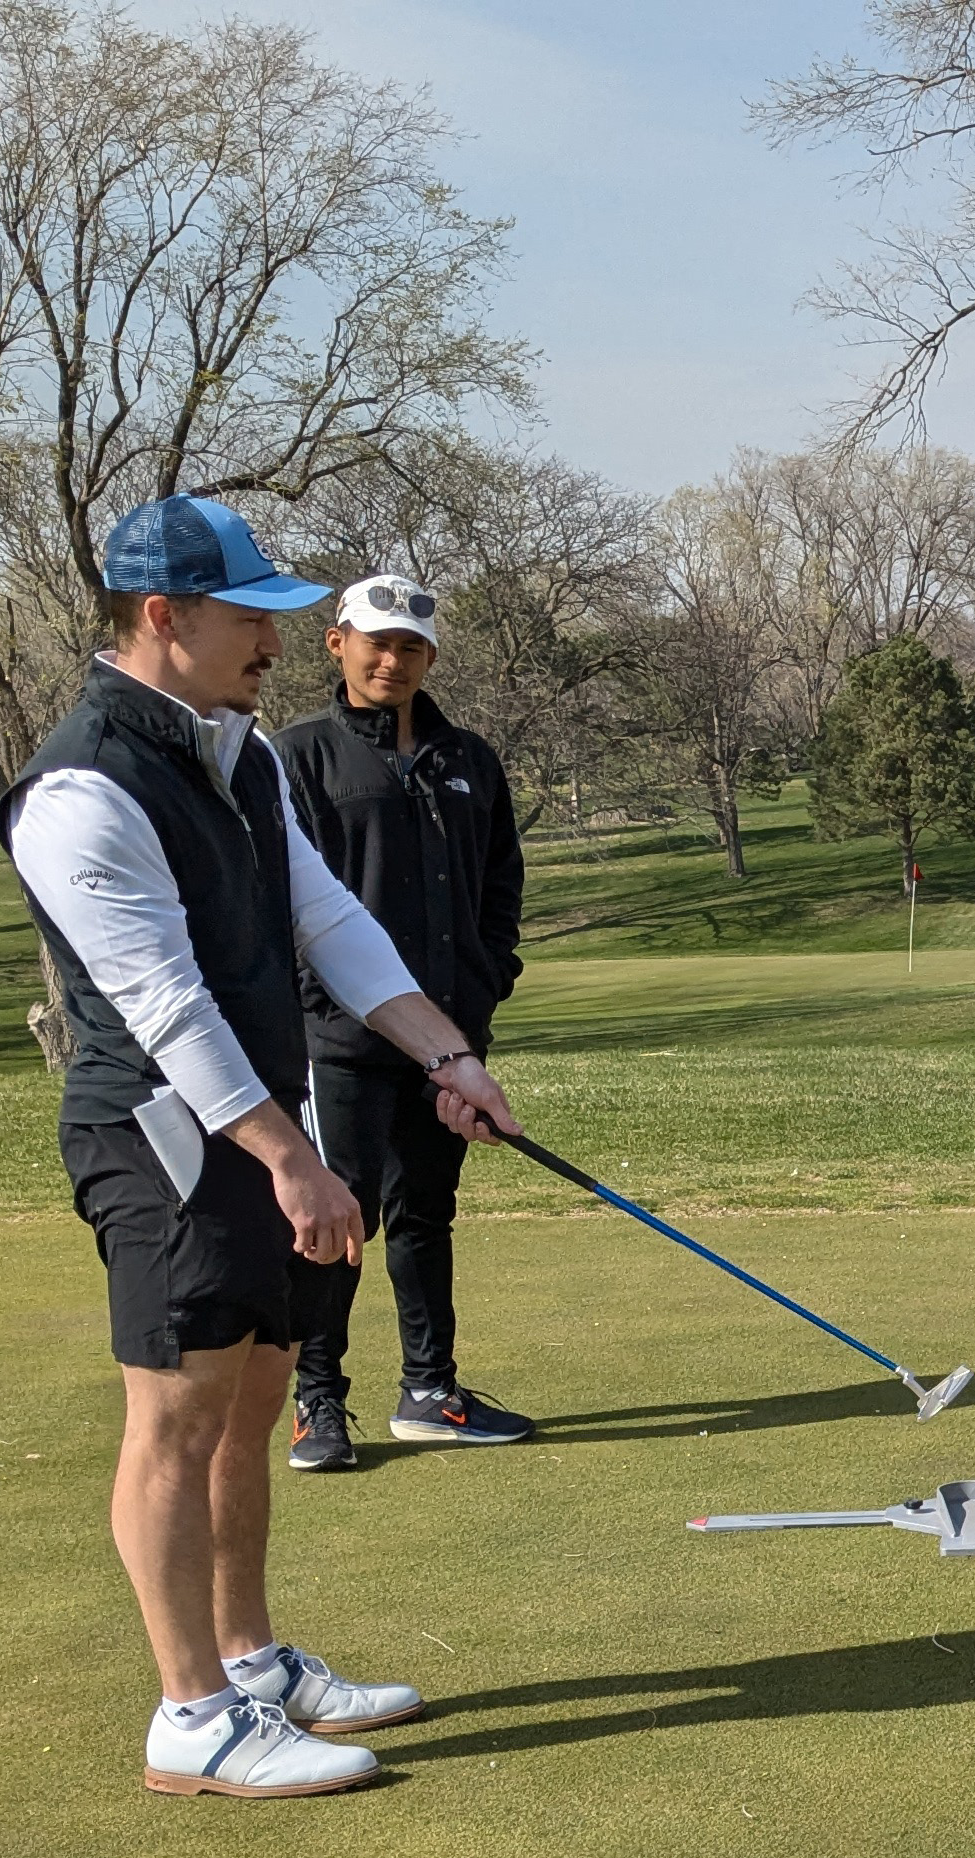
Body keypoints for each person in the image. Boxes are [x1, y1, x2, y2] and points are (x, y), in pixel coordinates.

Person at [0, 494, 518, 1799]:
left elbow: (326, 916)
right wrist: (295, 1160)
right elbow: (165, 1005)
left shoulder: (239, 753)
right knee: (176, 1419)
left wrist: (445, 1053)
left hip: (258, 1112)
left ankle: (248, 1661)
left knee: (251, 1399)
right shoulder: (79, 789)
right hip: (159, 1137)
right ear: (163, 617)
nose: (278, 645)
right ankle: (191, 1714)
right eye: (251, 619)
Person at [274, 575, 532, 1471]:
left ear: (430, 656)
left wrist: (484, 983)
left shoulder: (469, 758)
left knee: (426, 1213)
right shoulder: (297, 756)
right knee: (337, 1217)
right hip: (340, 1041)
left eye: (410, 646)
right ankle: (317, 1399)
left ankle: (430, 1390)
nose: (392, 660)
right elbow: (284, 906)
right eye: (376, 642)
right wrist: (317, 1007)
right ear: (338, 643)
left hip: (449, 1041)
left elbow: (500, 886)